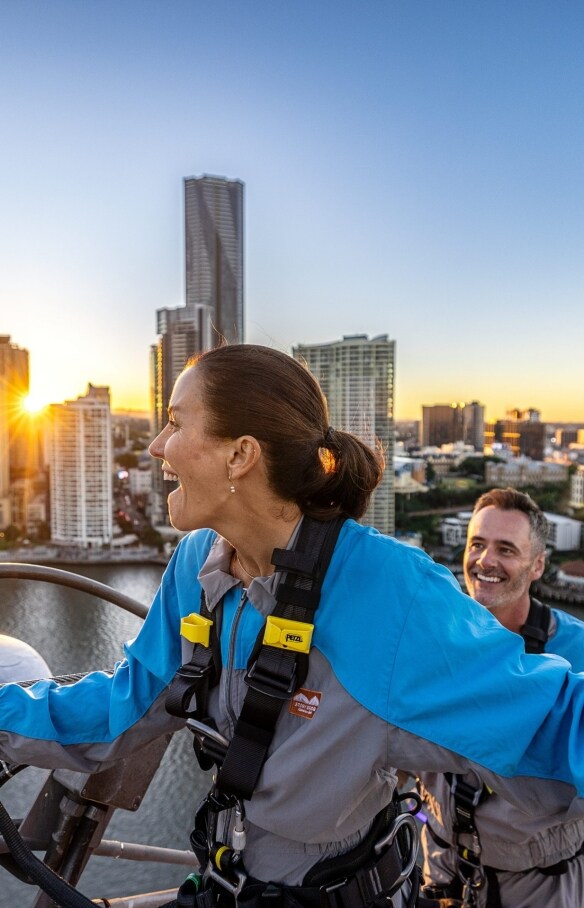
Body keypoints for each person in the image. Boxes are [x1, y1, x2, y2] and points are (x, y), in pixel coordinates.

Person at [1, 346, 584, 908]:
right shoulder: (198, 564)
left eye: (176, 423)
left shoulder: (386, 589)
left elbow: (553, 724)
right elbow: (127, 704)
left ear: (240, 455)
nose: (156, 446)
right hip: (227, 880)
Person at [417, 488, 584, 907]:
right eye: (477, 544)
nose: (485, 561)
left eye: (506, 549)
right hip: (440, 868)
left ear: (538, 566)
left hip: (537, 883)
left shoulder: (577, 652)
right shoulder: (437, 638)